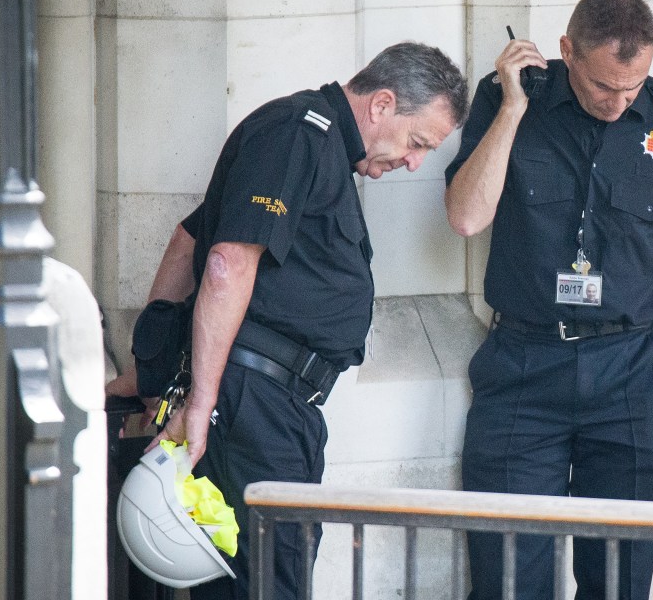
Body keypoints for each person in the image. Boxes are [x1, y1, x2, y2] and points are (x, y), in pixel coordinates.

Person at [108, 41, 469, 600]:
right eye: (416, 141)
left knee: (266, 577)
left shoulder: (314, 144)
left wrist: (145, 362)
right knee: (268, 584)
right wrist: (198, 401)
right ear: (381, 105)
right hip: (253, 405)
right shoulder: (298, 134)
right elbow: (225, 262)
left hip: (269, 405)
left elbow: (189, 239)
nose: (414, 162)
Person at [444, 0, 653, 600]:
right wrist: (510, 112)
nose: (618, 102)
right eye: (605, 86)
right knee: (506, 576)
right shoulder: (507, 100)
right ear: (567, 53)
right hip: (524, 366)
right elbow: (466, 216)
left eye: (632, 88)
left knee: (620, 581)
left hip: (632, 371)